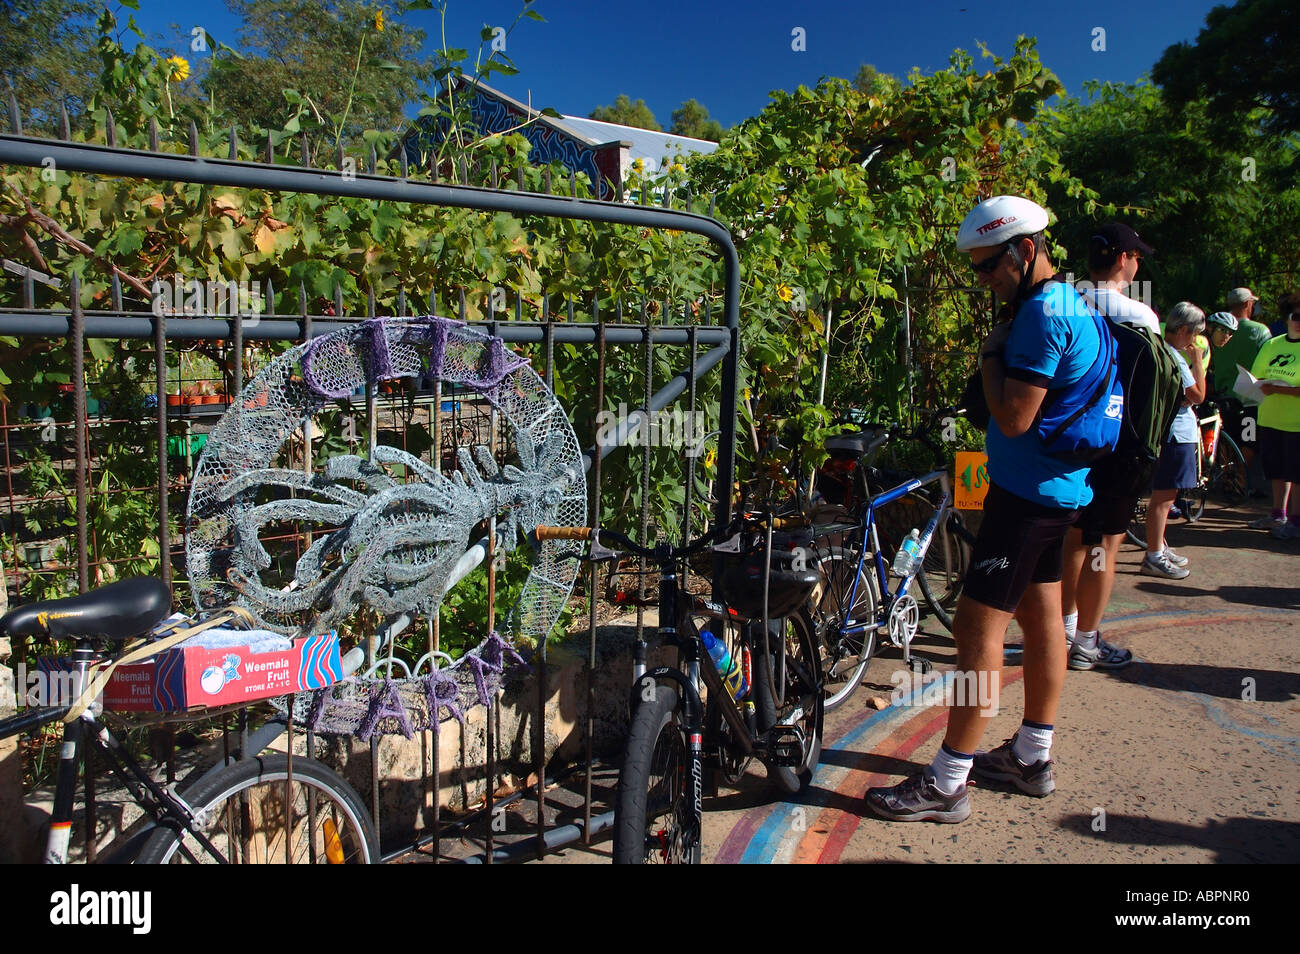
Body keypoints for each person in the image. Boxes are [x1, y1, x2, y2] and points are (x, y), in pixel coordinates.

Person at [866, 196, 1100, 823]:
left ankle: (948, 781)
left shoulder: (1041, 316)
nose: (984, 281)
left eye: (987, 267)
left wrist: (989, 358)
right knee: (1045, 614)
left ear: (1025, 250)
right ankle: (1032, 755)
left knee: (977, 628)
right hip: (1062, 491)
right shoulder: (1073, 303)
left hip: (1025, 499)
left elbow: (1016, 415)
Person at [1060, 222, 1156, 670]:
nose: (1137, 264)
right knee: (1107, 545)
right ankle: (1086, 643)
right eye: (1136, 257)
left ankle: (1059, 631)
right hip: (1119, 449)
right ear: (1122, 259)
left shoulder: (1065, 302)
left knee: (1073, 539)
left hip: (1069, 442)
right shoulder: (1140, 315)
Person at [1143, 303, 1207, 578]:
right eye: (1193, 333)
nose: (1194, 340)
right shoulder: (1177, 357)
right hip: (1176, 434)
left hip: (1170, 432)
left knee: (1166, 497)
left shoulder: (1159, 348)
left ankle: (1159, 546)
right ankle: (1154, 555)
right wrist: (1198, 362)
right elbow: (1198, 395)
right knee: (1164, 498)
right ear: (1183, 330)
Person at [1251, 295, 1300, 539]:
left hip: (1297, 423)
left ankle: (1296, 521)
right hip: (1270, 418)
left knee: (1297, 473)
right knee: (1276, 470)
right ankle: (1278, 514)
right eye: (1296, 316)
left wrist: (1280, 389)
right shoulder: (1272, 344)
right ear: (1288, 318)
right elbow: (1257, 377)